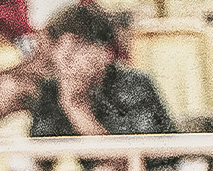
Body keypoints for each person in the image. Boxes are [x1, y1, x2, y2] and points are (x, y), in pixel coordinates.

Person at [26, 3, 172, 139]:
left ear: (104, 52)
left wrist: (76, 106)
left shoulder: (133, 85)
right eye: (59, 47)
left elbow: (135, 152)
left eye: (77, 47)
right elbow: (41, 151)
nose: (66, 59)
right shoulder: (51, 90)